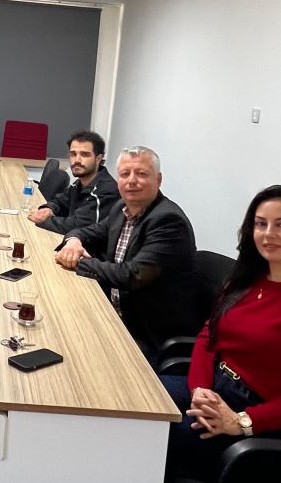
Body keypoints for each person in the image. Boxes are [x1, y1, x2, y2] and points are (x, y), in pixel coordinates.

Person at [159, 185, 281, 483]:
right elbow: (208, 338)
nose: (268, 233)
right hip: (214, 386)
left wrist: (241, 422)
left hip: (260, 419)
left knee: (155, 433)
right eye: (261, 224)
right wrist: (199, 389)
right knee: (136, 404)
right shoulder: (245, 281)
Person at [53, 145, 196, 359]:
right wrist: (74, 241)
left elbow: (132, 275)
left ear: (158, 180)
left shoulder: (167, 221)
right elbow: (90, 231)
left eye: (141, 174)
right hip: (114, 314)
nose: (132, 180)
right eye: (125, 174)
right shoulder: (122, 208)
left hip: (144, 334)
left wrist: (78, 262)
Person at [28, 129, 119, 235]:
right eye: (73, 154)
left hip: (89, 250)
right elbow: (61, 202)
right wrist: (48, 209)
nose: (77, 160)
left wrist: (43, 220)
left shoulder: (107, 191)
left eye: (85, 154)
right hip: (72, 243)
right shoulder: (79, 183)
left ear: (98, 159)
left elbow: (78, 225)